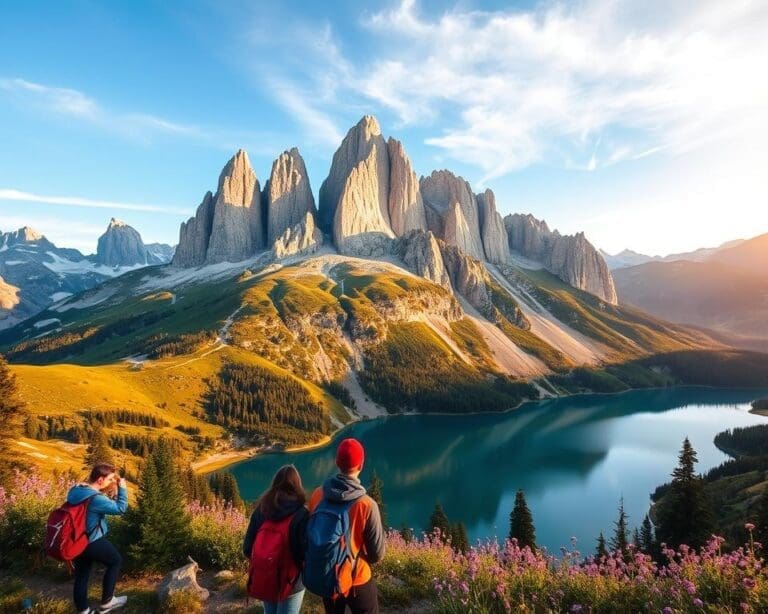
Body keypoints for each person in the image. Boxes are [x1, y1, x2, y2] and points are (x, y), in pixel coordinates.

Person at [308, 438, 385, 614]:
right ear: (361, 464)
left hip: (329, 575)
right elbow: (377, 554)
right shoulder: (366, 504)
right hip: (358, 579)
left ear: (337, 462)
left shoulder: (318, 495)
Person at [243, 464, 309, 614]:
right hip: (292, 583)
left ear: (274, 484)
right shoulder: (302, 514)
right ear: (297, 486)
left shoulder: (261, 510)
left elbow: (247, 548)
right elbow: (304, 553)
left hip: (266, 577)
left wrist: (267, 561)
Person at [67, 463, 129, 614]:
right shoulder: (96, 498)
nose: (110, 483)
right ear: (100, 480)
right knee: (115, 561)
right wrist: (123, 489)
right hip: (92, 540)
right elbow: (120, 508)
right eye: (109, 480)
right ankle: (107, 601)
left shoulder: (76, 490)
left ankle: (83, 610)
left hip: (76, 540)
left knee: (82, 574)